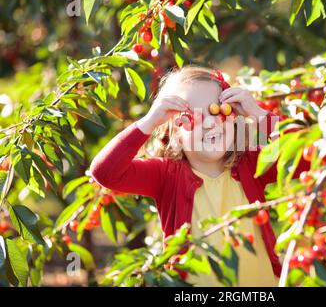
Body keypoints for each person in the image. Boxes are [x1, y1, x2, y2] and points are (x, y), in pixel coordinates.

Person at [89, 65, 309, 286]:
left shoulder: (252, 165)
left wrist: (260, 114)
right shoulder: (166, 175)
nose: (211, 122)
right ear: (175, 131)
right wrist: (148, 121)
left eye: (218, 111)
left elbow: (306, 161)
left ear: (234, 117)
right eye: (194, 117)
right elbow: (105, 172)